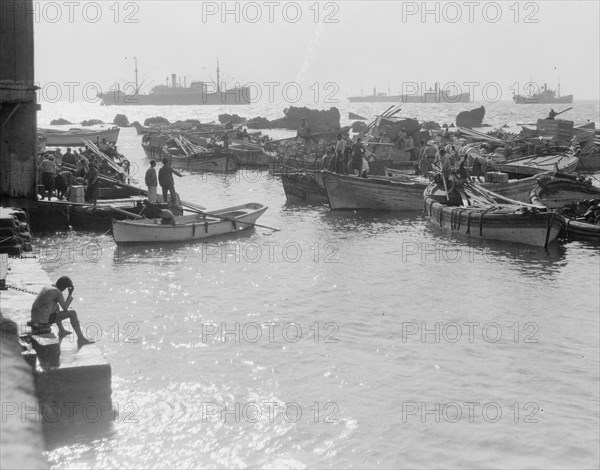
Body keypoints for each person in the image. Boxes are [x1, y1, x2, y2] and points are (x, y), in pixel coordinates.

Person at [30, 276, 94, 346]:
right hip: (42, 320)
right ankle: (81, 339)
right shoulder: (58, 292)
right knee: (73, 313)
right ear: (64, 287)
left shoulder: (47, 287)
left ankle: (62, 330)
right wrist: (70, 293)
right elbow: (65, 308)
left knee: (56, 306)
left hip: (35, 316)